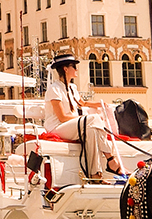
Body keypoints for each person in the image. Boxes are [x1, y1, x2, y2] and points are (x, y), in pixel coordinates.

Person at [43, 50, 119, 181]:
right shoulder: (54, 89)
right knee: (93, 120)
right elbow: (62, 117)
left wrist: (100, 104)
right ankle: (111, 160)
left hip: (73, 126)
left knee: (92, 131)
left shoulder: (72, 88)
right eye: (74, 66)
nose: (77, 69)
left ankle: (95, 175)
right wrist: (86, 119)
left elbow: (81, 103)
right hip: (58, 127)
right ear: (66, 69)